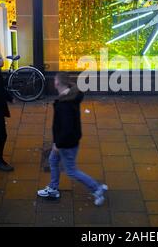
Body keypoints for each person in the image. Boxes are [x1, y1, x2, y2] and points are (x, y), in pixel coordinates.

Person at [37, 73, 108, 206]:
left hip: (65, 143)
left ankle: (96, 188)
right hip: (68, 140)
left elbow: (66, 128)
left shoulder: (65, 105)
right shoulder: (71, 96)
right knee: (53, 160)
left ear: (57, 84)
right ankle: (53, 188)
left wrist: (58, 144)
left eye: (55, 81)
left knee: (71, 170)